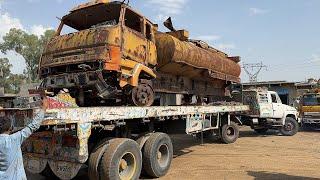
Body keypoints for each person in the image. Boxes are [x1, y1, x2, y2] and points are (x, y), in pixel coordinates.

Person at [0, 99, 48, 180]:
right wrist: (43, 108)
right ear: (10, 128)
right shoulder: (14, 139)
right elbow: (33, 126)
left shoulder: (14, 139)